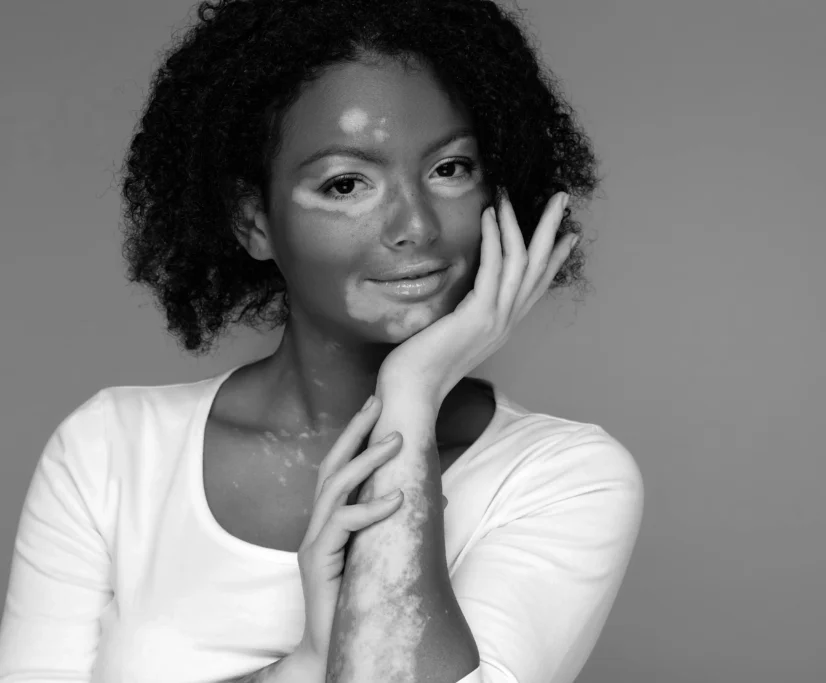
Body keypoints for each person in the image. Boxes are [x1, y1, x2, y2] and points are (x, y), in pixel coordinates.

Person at [0, 0, 644, 681]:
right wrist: (309, 661)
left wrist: (410, 392)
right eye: (346, 183)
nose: (417, 226)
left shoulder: (564, 479)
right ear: (253, 220)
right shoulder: (109, 452)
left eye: (450, 169)